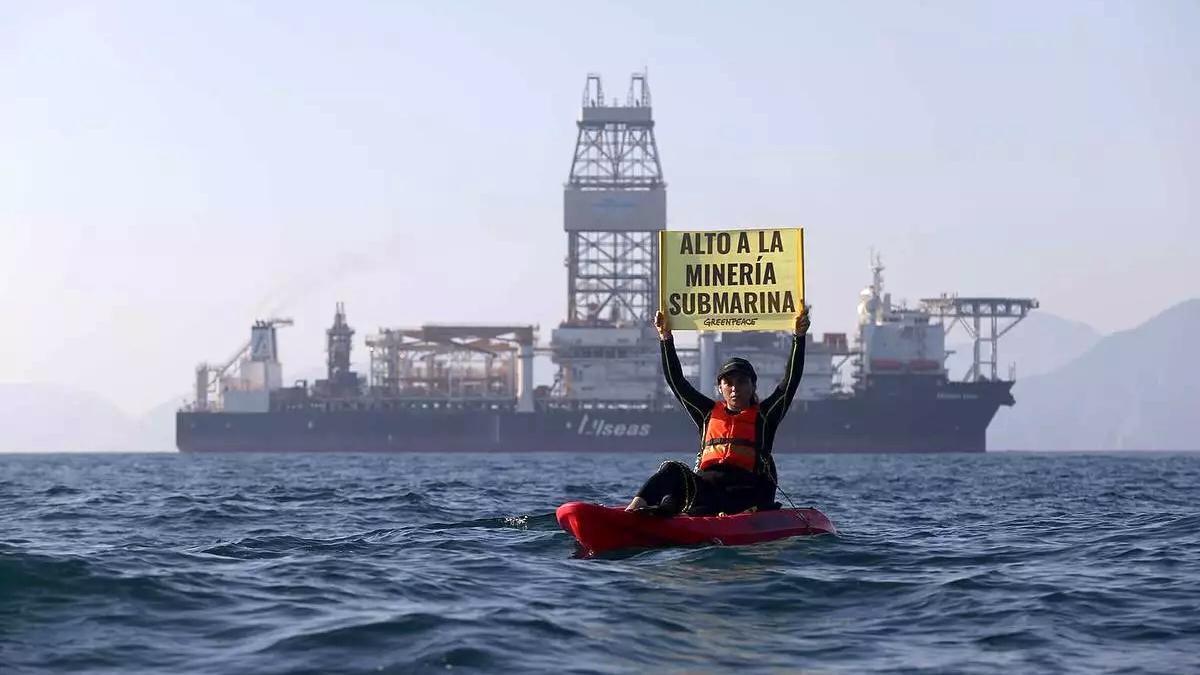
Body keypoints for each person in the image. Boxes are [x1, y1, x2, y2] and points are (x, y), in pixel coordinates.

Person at [625, 305, 811, 516]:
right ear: (720, 387)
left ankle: (670, 513)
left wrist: (799, 336)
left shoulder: (765, 416)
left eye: (741, 382)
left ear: (753, 386)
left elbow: (790, 382)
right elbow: (676, 381)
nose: (735, 388)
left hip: (744, 496)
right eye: (728, 383)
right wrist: (665, 336)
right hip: (706, 492)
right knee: (671, 470)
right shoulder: (706, 413)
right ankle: (634, 510)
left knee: (689, 505)